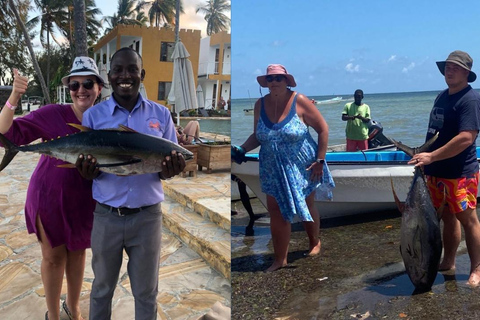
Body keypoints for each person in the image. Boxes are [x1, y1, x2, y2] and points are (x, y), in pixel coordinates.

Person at [75, 47, 186, 319]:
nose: (126, 75)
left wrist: (170, 170)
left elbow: (162, 168)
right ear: (109, 76)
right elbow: (90, 162)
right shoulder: (93, 116)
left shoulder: (161, 115)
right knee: (101, 289)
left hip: (147, 218)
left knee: (146, 293)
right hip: (106, 216)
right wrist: (87, 172)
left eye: (132, 70)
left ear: (142, 75)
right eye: (119, 70)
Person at [0, 57, 105, 320]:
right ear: (69, 88)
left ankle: (74, 307)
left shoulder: (105, 120)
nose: (81, 89)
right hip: (49, 196)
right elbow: (6, 132)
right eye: (75, 84)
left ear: (99, 88)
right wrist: (14, 96)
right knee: (53, 257)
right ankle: (54, 316)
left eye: (88, 83)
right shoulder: (52, 113)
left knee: (78, 253)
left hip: (84, 199)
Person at [232, 64, 330, 272]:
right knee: (276, 211)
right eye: (270, 79)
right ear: (266, 83)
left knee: (307, 204)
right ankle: (280, 259)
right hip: (271, 166)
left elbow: (323, 129)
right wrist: (241, 149)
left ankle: (314, 242)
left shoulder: (300, 101)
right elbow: (258, 136)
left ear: (286, 81)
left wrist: (320, 161)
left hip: (303, 164)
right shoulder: (260, 104)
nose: (274, 82)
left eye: (278, 78)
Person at [409, 50, 480, 286]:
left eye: (456, 67)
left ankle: (476, 269)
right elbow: (435, 133)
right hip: (435, 171)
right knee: (447, 218)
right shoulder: (442, 96)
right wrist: (425, 156)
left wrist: (432, 156)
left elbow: (466, 138)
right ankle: (449, 260)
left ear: (466, 73)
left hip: (460, 173)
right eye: (448, 66)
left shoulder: (470, 100)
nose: (450, 70)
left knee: (468, 219)